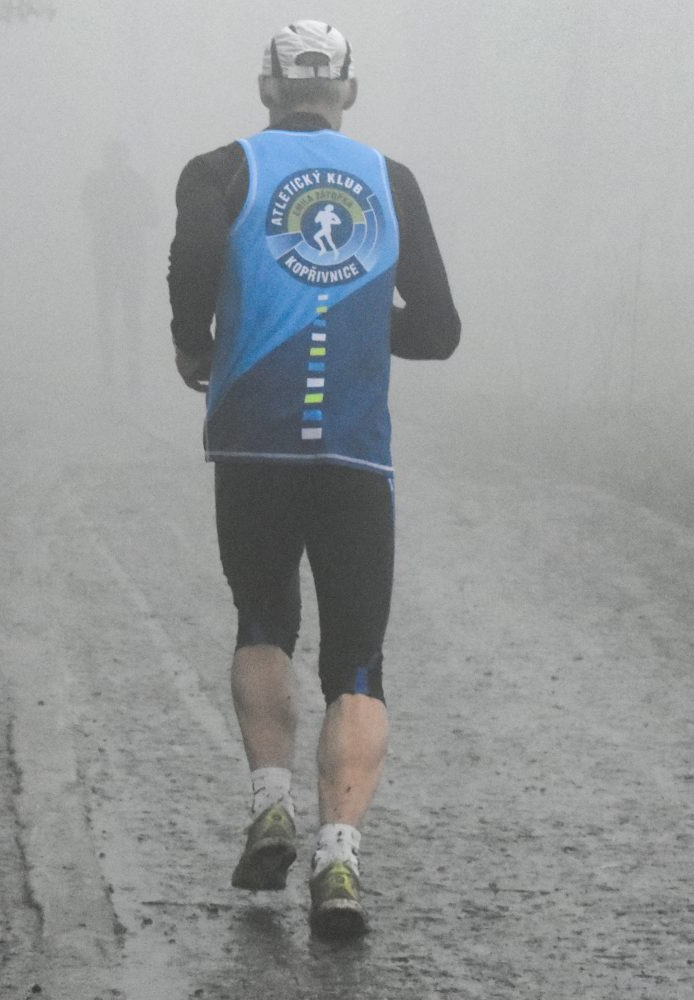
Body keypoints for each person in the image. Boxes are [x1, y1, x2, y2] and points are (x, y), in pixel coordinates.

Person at [167, 20, 460, 939]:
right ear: (349, 92)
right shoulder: (390, 180)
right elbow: (441, 330)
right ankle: (339, 861)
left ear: (266, 88)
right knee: (358, 659)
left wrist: (195, 344)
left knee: (262, 619)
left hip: (253, 439)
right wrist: (365, 321)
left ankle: (270, 807)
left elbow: (196, 262)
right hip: (354, 452)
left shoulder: (218, 170)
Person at [82, 138, 160, 392]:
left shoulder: (102, 182)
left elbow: (153, 217)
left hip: (118, 257)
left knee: (118, 314)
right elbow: (153, 217)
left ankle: (121, 369)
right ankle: (122, 369)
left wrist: (128, 215)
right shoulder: (133, 182)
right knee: (122, 314)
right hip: (121, 257)